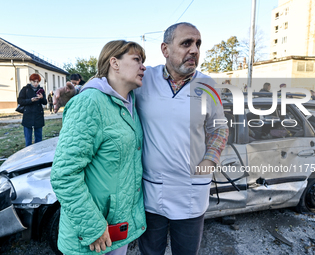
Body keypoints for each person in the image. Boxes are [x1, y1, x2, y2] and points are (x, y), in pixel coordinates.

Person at [53, 22, 228, 255]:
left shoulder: (207, 85)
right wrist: (75, 92)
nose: (194, 50)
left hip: (191, 193)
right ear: (165, 49)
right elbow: (109, 88)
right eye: (186, 43)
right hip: (151, 194)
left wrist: (210, 161)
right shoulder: (145, 79)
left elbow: (220, 127)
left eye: (198, 44)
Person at [50, 40, 147, 255]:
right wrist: (93, 227)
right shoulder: (90, 102)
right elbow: (64, 174)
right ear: (115, 62)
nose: (144, 66)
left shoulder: (130, 102)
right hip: (92, 234)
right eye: (137, 60)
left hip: (117, 228)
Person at [17, 73, 47, 147]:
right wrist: (31, 100)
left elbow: (45, 102)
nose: (36, 83)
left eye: (37, 81)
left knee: (39, 138)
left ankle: (39, 153)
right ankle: (29, 154)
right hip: (28, 115)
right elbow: (20, 101)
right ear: (30, 81)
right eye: (34, 81)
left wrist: (42, 98)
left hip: (38, 115)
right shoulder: (25, 89)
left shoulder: (41, 90)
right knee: (28, 139)